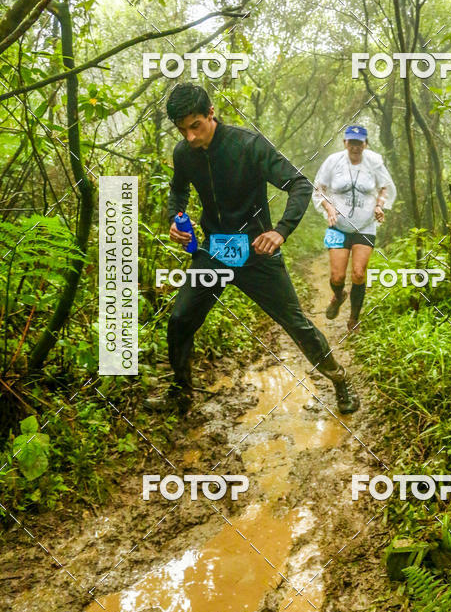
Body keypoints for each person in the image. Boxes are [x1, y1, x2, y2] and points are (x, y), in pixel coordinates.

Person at [145, 84, 359, 415]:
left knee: (295, 323)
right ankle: (181, 391)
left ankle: (340, 379)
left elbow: (300, 185)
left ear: (211, 113)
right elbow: (178, 191)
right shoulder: (183, 154)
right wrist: (177, 217)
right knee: (180, 318)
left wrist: (281, 231)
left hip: (257, 251)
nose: (189, 137)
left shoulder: (248, 145)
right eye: (181, 129)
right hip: (214, 252)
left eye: (195, 126)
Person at [312, 125, 396, 332]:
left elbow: (385, 186)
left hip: (365, 226)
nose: (356, 147)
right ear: (345, 143)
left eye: (360, 143)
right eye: (352, 143)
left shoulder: (374, 162)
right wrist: (329, 208)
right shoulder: (333, 162)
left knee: (358, 273)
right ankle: (339, 295)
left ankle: (353, 319)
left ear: (365, 144)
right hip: (337, 227)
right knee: (337, 277)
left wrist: (379, 205)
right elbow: (319, 189)